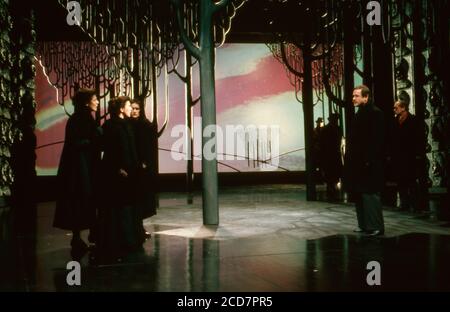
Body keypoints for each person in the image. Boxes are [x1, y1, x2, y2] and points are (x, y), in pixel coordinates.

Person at [53, 88, 101, 250]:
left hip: (83, 166)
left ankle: (86, 235)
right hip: (80, 168)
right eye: (95, 99)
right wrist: (94, 139)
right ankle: (80, 237)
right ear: (87, 102)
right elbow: (78, 142)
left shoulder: (82, 118)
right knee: (80, 199)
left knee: (83, 200)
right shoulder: (81, 119)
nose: (97, 102)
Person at [97, 96, 142, 259]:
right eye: (129, 106)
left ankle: (128, 240)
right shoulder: (110, 126)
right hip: (117, 174)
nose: (131, 108)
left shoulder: (127, 125)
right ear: (121, 109)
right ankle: (119, 242)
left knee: (127, 207)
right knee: (118, 208)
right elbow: (110, 150)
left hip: (129, 173)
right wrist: (118, 169)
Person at [344, 85, 385, 236]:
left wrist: (369, 160)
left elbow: (377, 140)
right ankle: (364, 225)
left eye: (356, 96)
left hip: (369, 163)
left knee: (370, 194)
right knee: (360, 194)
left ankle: (376, 226)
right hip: (358, 163)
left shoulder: (375, 114)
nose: (353, 98)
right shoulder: (360, 113)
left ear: (366, 97)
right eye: (353, 95)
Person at [130, 99, 157, 241]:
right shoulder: (126, 125)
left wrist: (146, 163)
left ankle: (139, 228)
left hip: (142, 168)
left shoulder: (146, 126)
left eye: (137, 108)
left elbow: (149, 148)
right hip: (131, 168)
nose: (134, 111)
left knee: (141, 199)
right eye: (132, 108)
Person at [392, 100, 423, 212]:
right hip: (399, 156)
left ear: (403, 108)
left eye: (396, 108)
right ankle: (404, 203)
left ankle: (415, 204)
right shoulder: (395, 121)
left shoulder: (413, 120)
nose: (394, 110)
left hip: (410, 155)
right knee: (401, 180)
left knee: (411, 180)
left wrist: (418, 154)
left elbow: (418, 138)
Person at [319, 113, 343, 200]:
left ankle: (331, 187)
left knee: (330, 172)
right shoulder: (338, 129)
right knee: (334, 171)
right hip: (334, 153)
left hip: (328, 154)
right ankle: (332, 186)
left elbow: (321, 143)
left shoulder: (325, 129)